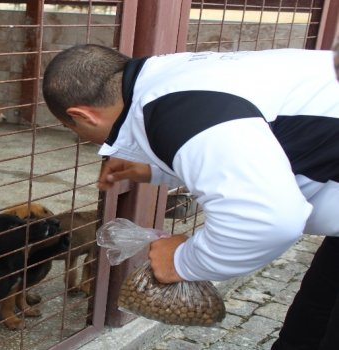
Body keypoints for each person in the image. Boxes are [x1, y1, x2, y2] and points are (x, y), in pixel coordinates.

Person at [42, 44, 339, 350]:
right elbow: (252, 148)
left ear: (83, 116)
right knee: (309, 325)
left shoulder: (182, 115)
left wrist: (183, 260)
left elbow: (268, 221)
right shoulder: (172, 78)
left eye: (71, 128)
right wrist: (157, 169)